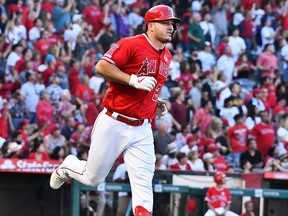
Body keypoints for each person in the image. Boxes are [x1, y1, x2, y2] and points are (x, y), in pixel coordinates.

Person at [49, 5, 181, 216]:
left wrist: (156, 102)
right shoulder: (131, 44)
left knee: (144, 187)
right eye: (165, 23)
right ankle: (68, 166)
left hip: (142, 128)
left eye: (172, 23)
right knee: (93, 178)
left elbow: (150, 85)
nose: (171, 27)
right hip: (114, 121)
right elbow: (101, 66)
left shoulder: (167, 55)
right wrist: (132, 79)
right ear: (151, 25)